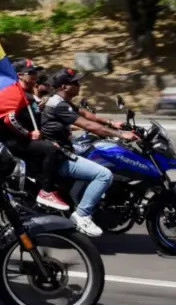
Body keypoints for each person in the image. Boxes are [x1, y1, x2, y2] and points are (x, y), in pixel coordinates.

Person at [40, 67, 138, 237]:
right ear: (64, 86)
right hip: (59, 156)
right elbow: (88, 125)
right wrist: (121, 135)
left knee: (95, 150)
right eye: (75, 82)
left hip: (64, 150)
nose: (79, 84)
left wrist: (112, 123)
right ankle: (82, 215)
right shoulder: (58, 104)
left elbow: (86, 114)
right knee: (104, 175)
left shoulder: (61, 101)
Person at [0, 59, 70, 211]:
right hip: (14, 141)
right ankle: (46, 192)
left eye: (35, 72)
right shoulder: (15, 91)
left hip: (22, 139)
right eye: (30, 73)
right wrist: (29, 134)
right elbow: (9, 119)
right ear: (19, 75)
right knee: (51, 149)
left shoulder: (27, 93)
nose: (35, 75)